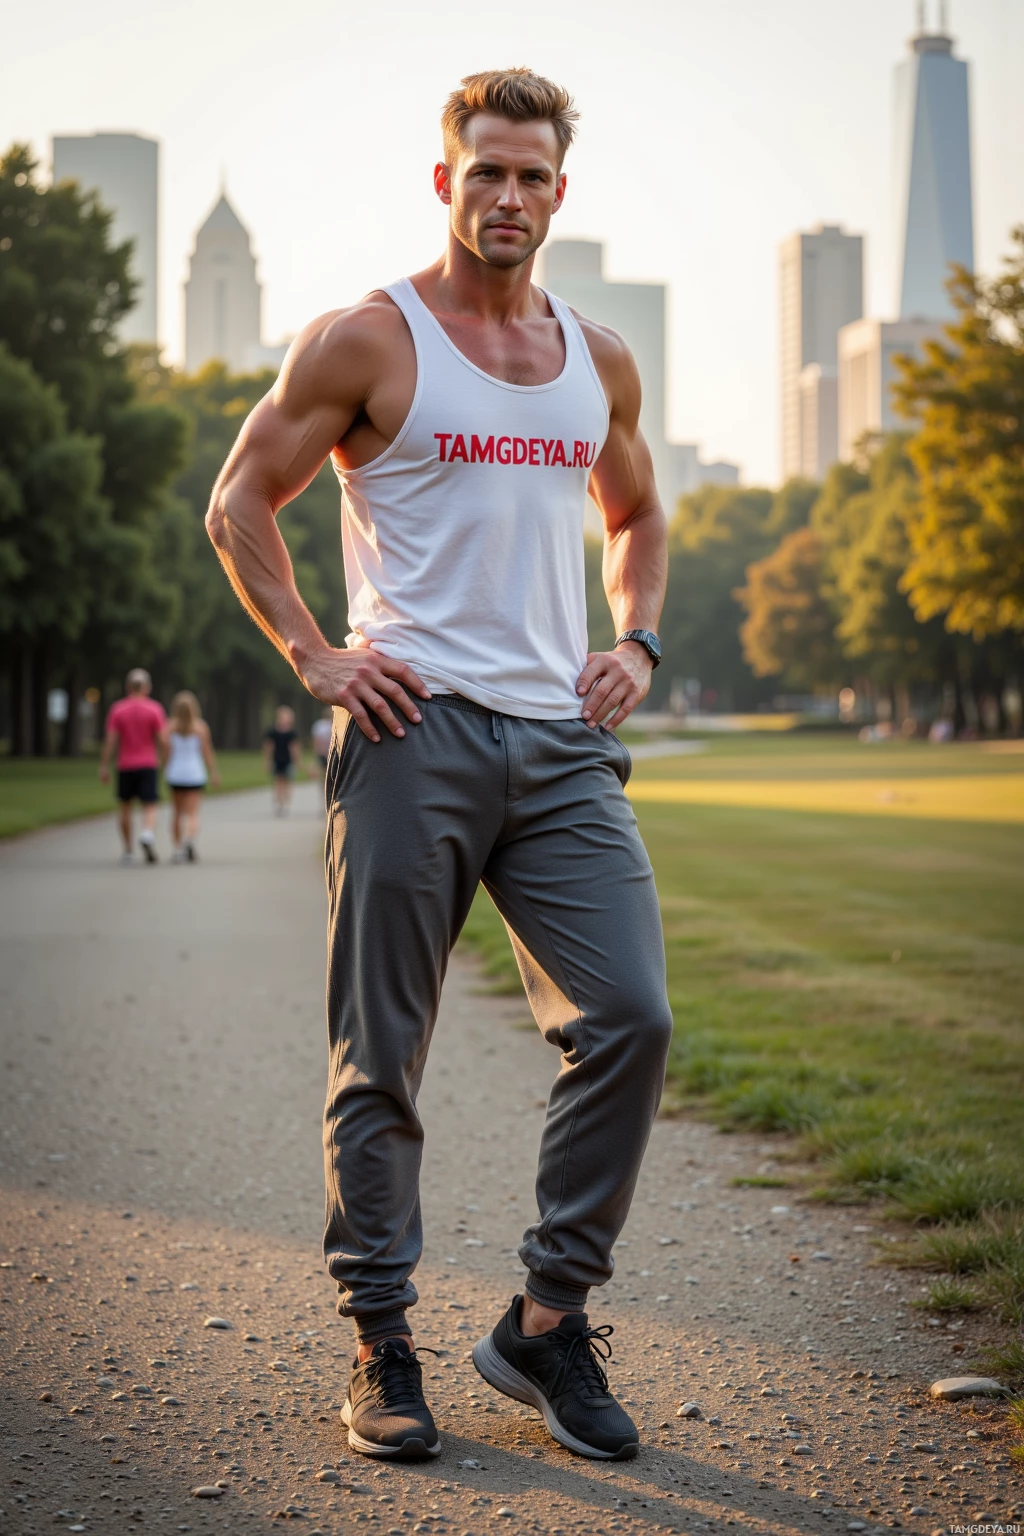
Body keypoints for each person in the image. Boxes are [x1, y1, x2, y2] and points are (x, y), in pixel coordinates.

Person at [206, 67, 672, 1464]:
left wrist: (638, 644)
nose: (510, 197)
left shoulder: (599, 357)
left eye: (533, 176)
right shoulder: (368, 339)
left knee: (632, 1019)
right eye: (487, 173)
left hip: (563, 745)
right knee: (382, 1057)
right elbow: (240, 498)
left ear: (559, 194)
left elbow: (638, 513)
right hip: (413, 736)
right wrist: (314, 655)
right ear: (446, 182)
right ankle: (382, 1341)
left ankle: (542, 1322)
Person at [99, 668, 167, 864]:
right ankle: (147, 833)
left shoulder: (118, 709)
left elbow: (111, 740)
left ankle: (128, 850)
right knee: (150, 805)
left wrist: (104, 766)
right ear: (147, 687)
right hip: (148, 763)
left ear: (128, 686)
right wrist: (165, 758)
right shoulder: (154, 709)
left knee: (125, 807)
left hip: (125, 765)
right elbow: (162, 740)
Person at [162, 691, 220, 862]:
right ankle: (189, 840)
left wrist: (165, 767)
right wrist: (214, 772)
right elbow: (207, 752)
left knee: (177, 813)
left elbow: (166, 753)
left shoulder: (169, 727)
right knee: (193, 813)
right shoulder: (201, 728)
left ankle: (178, 849)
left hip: (176, 774)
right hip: (195, 774)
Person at [263, 705, 301, 814]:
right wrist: (267, 761)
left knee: (287, 781)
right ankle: (279, 803)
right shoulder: (273, 731)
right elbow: (268, 747)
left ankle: (285, 802)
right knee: (278, 781)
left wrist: (297, 761)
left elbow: (295, 748)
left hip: (288, 760)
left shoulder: (292, 733)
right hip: (276, 759)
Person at [311, 707, 334, 778]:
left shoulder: (319, 725)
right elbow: (316, 740)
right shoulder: (321, 725)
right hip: (325, 751)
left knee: (327, 771)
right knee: (326, 771)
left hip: (326, 751)